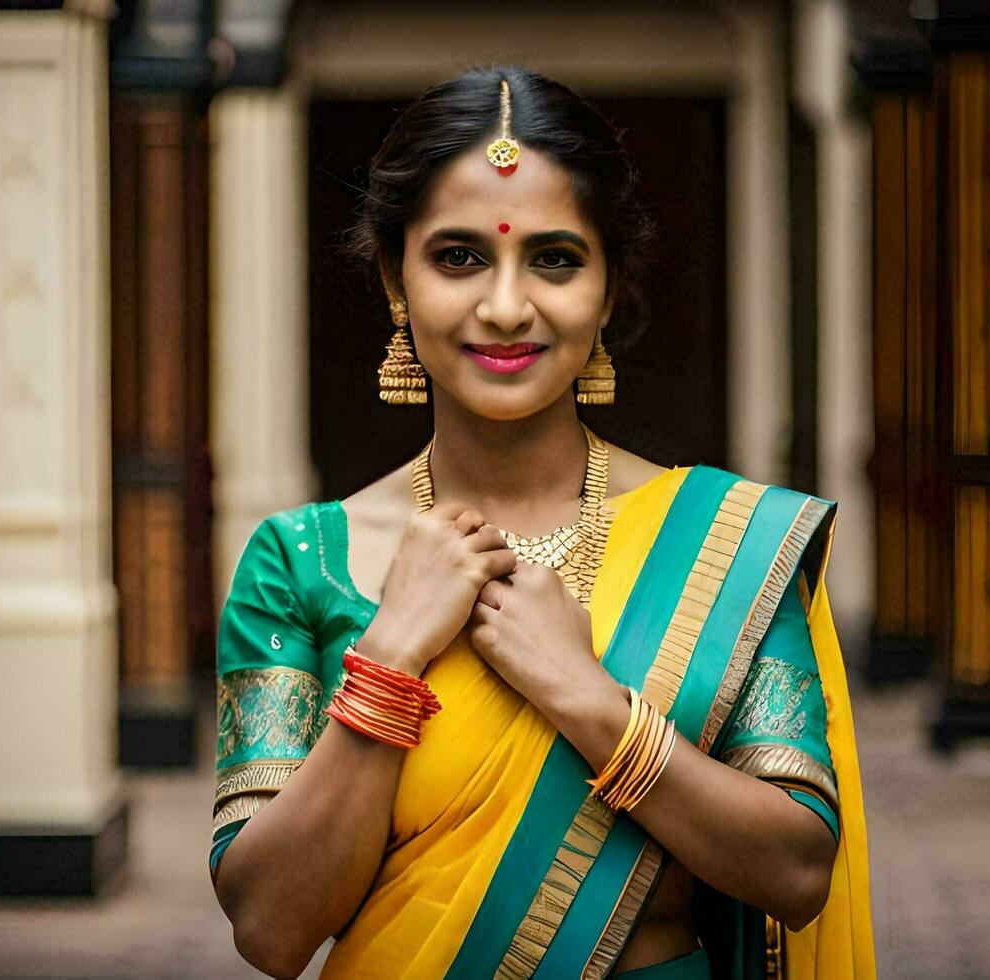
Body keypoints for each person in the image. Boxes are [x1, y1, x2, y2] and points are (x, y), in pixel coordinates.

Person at [209, 66, 874, 979]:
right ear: (393, 279)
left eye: (555, 258)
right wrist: (390, 659)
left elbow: (797, 871)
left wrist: (587, 699)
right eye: (458, 257)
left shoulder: (723, 541)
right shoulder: (300, 565)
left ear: (607, 289)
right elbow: (272, 931)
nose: (508, 306)